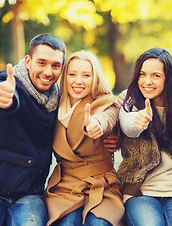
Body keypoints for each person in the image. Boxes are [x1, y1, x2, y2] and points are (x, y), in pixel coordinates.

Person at [0, 33, 67, 226]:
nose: (48, 72)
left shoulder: (60, 100)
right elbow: (3, 99)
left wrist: (111, 136)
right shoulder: (4, 82)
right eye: (41, 63)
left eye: (55, 65)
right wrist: (6, 100)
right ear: (28, 61)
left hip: (29, 195)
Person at [117, 47, 172, 226]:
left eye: (156, 75)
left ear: (168, 78)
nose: (147, 81)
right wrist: (138, 121)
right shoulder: (130, 105)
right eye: (142, 74)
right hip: (141, 194)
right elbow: (127, 126)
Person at [44, 50, 124, 226]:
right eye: (72, 74)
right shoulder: (53, 105)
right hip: (65, 186)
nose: (78, 81)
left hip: (102, 185)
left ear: (95, 78)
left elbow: (108, 118)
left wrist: (97, 124)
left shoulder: (104, 102)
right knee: (66, 223)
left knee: (99, 223)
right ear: (65, 77)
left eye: (86, 75)